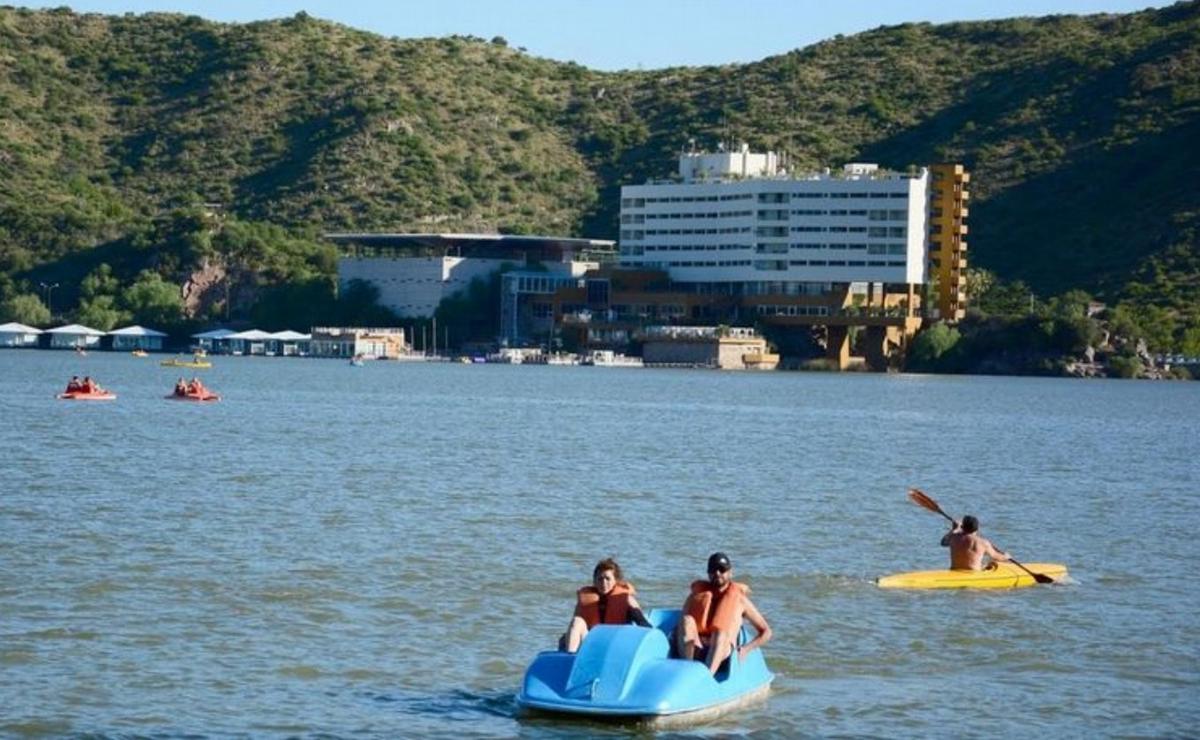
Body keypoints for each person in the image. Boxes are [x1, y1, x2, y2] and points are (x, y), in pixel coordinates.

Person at [674, 552, 771, 676]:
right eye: (713, 569)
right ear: (708, 573)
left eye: (722, 569)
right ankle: (687, 670)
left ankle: (707, 677)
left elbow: (766, 632)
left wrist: (746, 649)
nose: (717, 573)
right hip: (697, 647)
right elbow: (682, 624)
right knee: (686, 620)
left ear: (730, 572)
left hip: (722, 650)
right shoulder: (697, 595)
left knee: (720, 632)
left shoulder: (740, 600)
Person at [560, 558, 651, 653]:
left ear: (616, 581)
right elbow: (575, 628)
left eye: (607, 578)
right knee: (577, 621)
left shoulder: (626, 599)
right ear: (594, 581)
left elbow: (643, 624)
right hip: (592, 644)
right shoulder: (585, 600)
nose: (603, 583)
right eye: (600, 579)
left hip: (616, 646)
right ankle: (569, 657)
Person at [941, 515, 1011, 571]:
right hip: (974, 573)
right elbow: (996, 556)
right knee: (990, 563)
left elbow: (943, 542)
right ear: (977, 528)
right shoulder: (983, 542)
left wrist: (954, 529)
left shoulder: (954, 537)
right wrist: (1006, 556)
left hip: (955, 571)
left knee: (986, 564)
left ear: (962, 527)